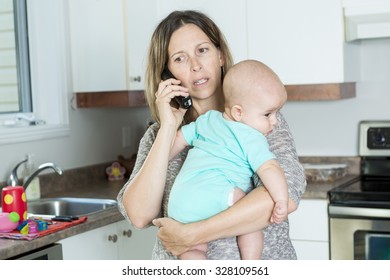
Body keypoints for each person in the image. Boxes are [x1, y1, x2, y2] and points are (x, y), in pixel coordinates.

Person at [117, 10, 306, 260]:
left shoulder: (262, 120)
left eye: (202, 50)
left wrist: (191, 234)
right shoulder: (159, 135)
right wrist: (168, 129)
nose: (195, 66)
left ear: (219, 55)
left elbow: (283, 198)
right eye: (180, 59)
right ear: (168, 74)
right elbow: (140, 215)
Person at [167, 59, 289, 260]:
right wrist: (281, 200)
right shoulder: (251, 136)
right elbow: (269, 168)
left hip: (179, 204)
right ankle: (251, 264)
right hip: (217, 194)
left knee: (192, 250)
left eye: (276, 113)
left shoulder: (207, 120)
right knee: (247, 216)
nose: (274, 121)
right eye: (268, 114)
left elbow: (178, 139)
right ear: (238, 112)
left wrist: (162, 161)